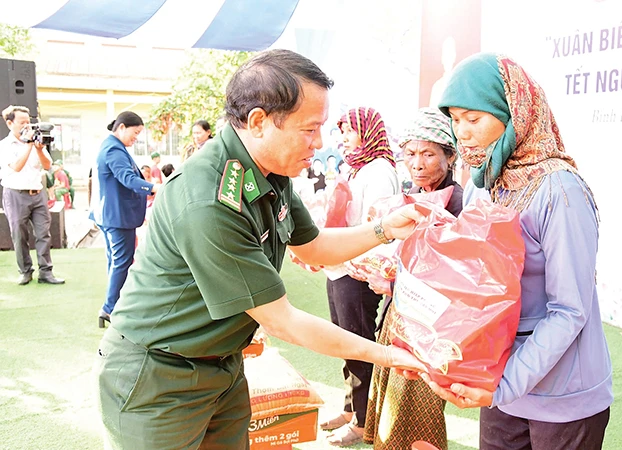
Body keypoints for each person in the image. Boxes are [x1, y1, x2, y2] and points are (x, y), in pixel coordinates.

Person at [96, 49, 424, 450]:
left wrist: (384, 230)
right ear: (258, 122)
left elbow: (315, 246)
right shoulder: (209, 198)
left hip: (222, 367)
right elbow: (283, 321)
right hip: (158, 376)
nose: (320, 143)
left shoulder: (270, 169)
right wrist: (387, 356)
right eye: (309, 129)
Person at [423, 53, 613, 450]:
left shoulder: (560, 191)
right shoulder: (484, 182)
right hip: (499, 376)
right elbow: (476, 284)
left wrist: (506, 384)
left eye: (473, 119)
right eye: (455, 120)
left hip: (561, 393)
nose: (463, 133)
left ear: (515, 115)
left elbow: (570, 310)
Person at [363, 107, 463, 450]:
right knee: (391, 402)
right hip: (398, 316)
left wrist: (392, 283)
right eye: (410, 154)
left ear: (449, 156)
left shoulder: (458, 205)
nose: (417, 163)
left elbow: (456, 279)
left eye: (428, 154)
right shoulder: (408, 198)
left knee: (417, 407)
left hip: (432, 327)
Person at [320, 106, 399, 447]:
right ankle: (351, 409)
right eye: (341, 131)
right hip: (339, 266)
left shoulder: (379, 170)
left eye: (349, 131)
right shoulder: (356, 168)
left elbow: (377, 227)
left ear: (367, 131)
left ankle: (364, 422)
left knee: (359, 346)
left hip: (359, 272)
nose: (343, 138)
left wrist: (352, 261)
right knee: (345, 344)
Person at [90, 111, 157, 328]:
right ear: (121, 127)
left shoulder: (112, 146)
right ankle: (110, 309)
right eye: (135, 132)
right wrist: (154, 187)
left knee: (115, 261)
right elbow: (128, 179)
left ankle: (114, 305)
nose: (136, 137)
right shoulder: (113, 149)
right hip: (117, 217)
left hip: (110, 215)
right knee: (121, 262)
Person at [0, 105, 65, 285]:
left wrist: (38, 148)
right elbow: (16, 167)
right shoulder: (5, 146)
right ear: (9, 123)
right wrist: (28, 145)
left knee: (43, 233)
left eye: (28, 122)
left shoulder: (35, 140)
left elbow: (47, 165)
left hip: (37, 193)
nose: (27, 126)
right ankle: (25, 271)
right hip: (15, 194)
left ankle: (46, 272)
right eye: (22, 122)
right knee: (19, 235)